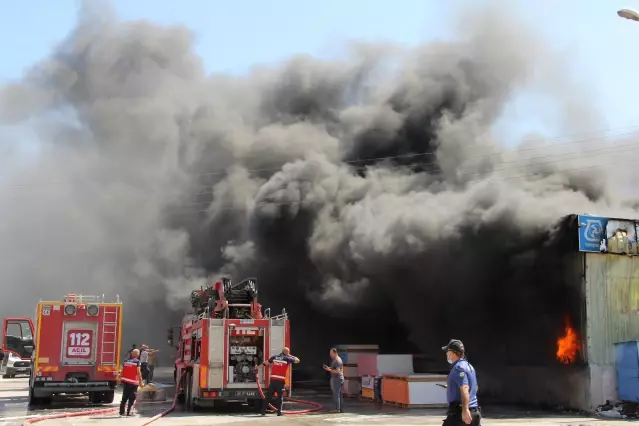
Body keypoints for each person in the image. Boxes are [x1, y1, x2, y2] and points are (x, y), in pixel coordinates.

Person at [441, 339, 481, 426]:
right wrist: (452, 387)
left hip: (460, 415)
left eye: (447, 352)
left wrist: (465, 410)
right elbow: (475, 387)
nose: (447, 354)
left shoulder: (458, 368)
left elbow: (465, 388)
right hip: (474, 411)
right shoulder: (469, 366)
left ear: (452, 353)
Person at [260, 347, 300, 416]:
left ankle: (263, 411)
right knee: (280, 397)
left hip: (272, 380)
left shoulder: (274, 357)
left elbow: (265, 363)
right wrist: (290, 355)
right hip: (280, 381)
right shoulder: (287, 358)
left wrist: (257, 367)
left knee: (268, 396)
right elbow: (297, 360)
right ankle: (279, 412)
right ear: (287, 352)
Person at [119, 348, 143, 417]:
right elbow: (138, 372)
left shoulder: (126, 361)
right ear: (138, 355)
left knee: (124, 397)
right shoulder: (137, 362)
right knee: (132, 398)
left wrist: (119, 379)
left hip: (126, 382)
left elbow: (122, 371)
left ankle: (121, 412)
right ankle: (129, 412)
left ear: (132, 354)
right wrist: (141, 382)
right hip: (133, 383)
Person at [323, 348, 344, 413]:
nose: (330, 355)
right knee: (338, 394)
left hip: (337, 379)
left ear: (335, 353)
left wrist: (329, 370)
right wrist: (329, 368)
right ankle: (340, 408)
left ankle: (337, 409)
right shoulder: (336, 359)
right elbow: (339, 369)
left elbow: (338, 371)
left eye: (331, 354)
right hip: (337, 379)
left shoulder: (337, 360)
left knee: (336, 394)